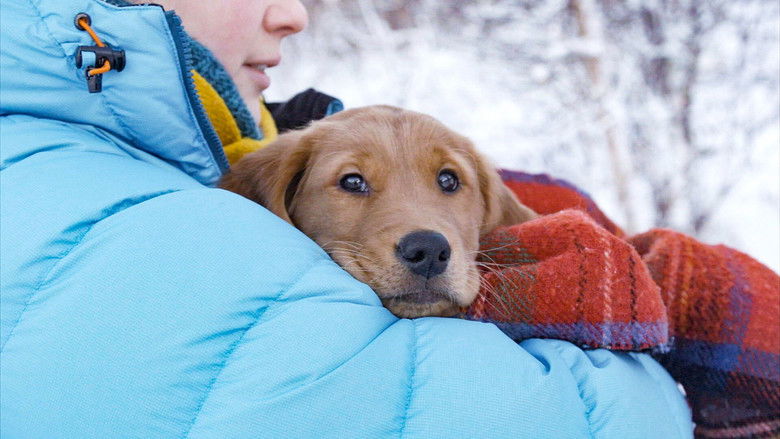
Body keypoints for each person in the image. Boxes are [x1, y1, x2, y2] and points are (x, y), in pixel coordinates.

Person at [0, 0, 692, 437]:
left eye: (448, 181)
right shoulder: (204, 202)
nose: (421, 230)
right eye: (353, 183)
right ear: (278, 201)